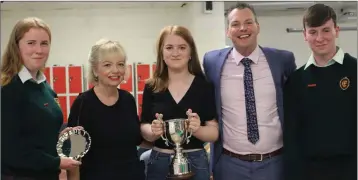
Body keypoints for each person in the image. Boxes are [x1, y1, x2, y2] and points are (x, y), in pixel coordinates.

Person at [202, 3, 297, 180]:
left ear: (258, 26)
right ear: (228, 31)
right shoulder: (211, 62)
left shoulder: (282, 60)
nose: (243, 28)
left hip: (275, 163)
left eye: (248, 22)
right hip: (229, 165)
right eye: (235, 24)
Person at [1, 17, 81, 180]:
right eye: (31, 43)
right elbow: (9, 151)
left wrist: (59, 137)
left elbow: (36, 134)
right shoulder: (7, 88)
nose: (39, 50)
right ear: (16, 46)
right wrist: (57, 162)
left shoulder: (45, 86)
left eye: (44, 43)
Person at [283, 4, 357, 180]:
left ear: (336, 31)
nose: (320, 38)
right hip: (308, 171)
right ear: (305, 35)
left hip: (349, 170)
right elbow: (292, 135)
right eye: (313, 32)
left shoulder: (354, 70)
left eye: (325, 30)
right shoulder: (297, 80)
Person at [140, 25, 219, 180]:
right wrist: (153, 131)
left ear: (191, 53)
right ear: (161, 53)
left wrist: (197, 129)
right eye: (169, 47)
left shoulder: (204, 86)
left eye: (182, 47)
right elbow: (144, 127)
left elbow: (214, 132)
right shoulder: (151, 86)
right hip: (159, 162)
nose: (175, 53)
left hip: (196, 160)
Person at [66, 39, 145, 180]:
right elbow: (75, 155)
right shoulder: (83, 103)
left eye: (120, 64)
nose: (115, 70)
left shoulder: (128, 100)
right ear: (95, 69)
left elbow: (136, 140)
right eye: (107, 65)